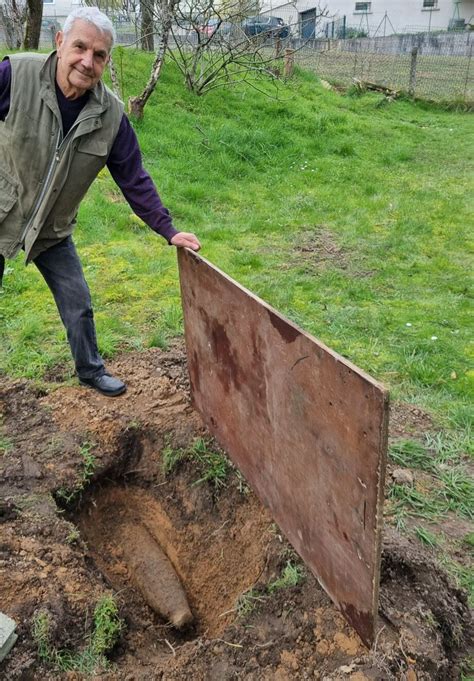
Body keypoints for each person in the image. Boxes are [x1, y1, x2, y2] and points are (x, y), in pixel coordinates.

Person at [0, 7, 200, 397]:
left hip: (52, 229)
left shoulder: (111, 116)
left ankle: (90, 370)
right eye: (80, 47)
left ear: (107, 61)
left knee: (78, 304)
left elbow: (134, 177)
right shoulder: (15, 76)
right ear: (59, 42)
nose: (87, 62)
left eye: (99, 55)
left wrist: (168, 229)